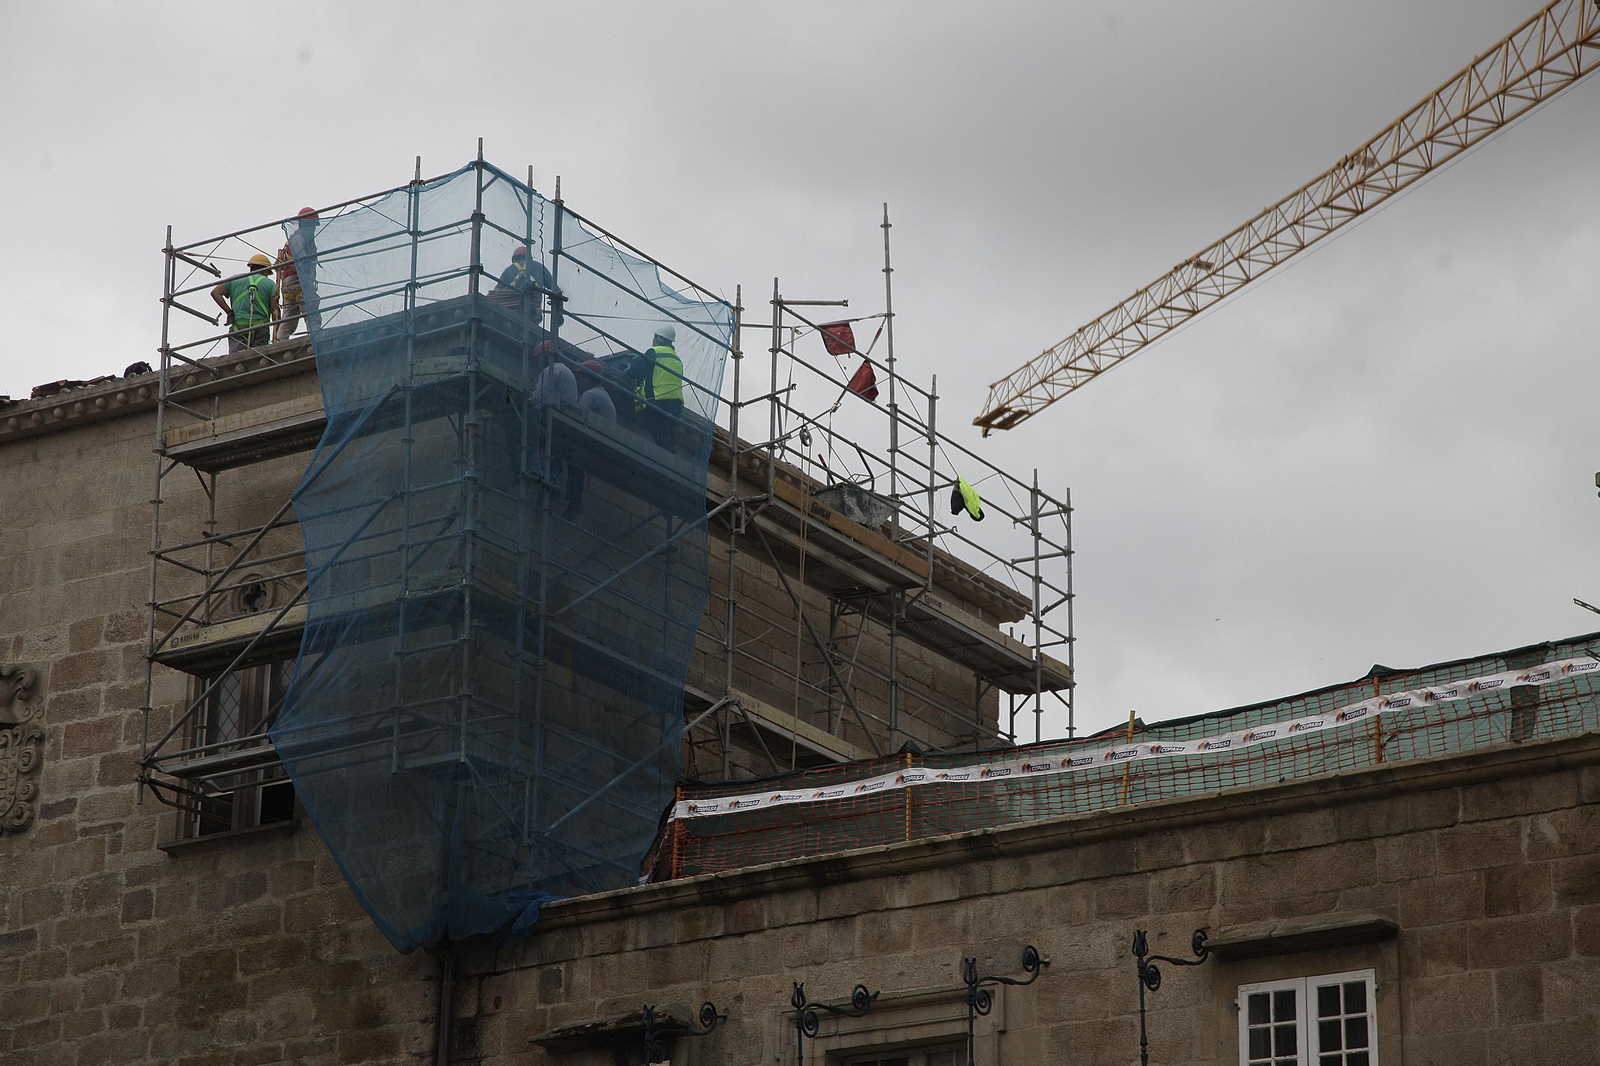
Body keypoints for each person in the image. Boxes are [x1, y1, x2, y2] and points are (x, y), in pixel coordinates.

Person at [565, 361, 618, 517]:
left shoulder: (591, 395)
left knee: (571, 458)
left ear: (588, 379)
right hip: (602, 439)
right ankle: (574, 503)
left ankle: (574, 503)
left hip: (597, 441)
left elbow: (576, 415)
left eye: (580, 378)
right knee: (575, 462)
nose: (578, 382)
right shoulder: (601, 393)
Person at [631, 326, 684, 452]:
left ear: (658, 338)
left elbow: (637, 372)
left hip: (658, 400)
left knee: (659, 436)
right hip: (676, 404)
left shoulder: (654, 352)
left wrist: (627, 370)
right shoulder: (677, 359)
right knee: (668, 439)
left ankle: (666, 463)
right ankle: (671, 464)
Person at [212, 254, 278, 353]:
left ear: (251, 268)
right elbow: (275, 310)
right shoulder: (270, 284)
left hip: (239, 327)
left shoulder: (236, 279)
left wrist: (229, 312)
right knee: (259, 359)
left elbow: (215, 292)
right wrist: (276, 333)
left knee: (238, 360)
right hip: (260, 327)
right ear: (265, 271)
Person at [274, 208, 320, 340]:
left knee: (289, 317)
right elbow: (301, 259)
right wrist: (305, 275)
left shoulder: (294, 238)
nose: (313, 229)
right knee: (311, 310)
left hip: (288, 283)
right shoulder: (300, 237)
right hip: (299, 280)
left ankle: (280, 342)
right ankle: (316, 338)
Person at [490, 245, 559, 325]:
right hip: (534, 312)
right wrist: (559, 312)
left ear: (514, 259)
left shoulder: (509, 270)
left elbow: (497, 291)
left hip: (513, 311)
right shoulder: (539, 267)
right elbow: (556, 290)